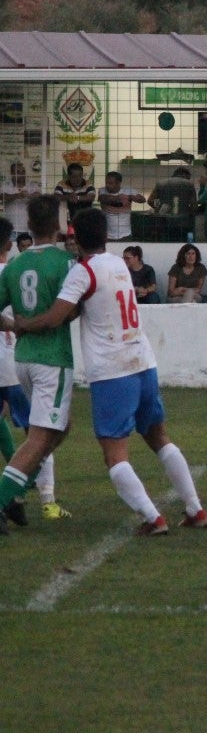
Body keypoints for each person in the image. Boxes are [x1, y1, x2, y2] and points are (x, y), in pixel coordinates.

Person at [15, 208, 207, 535]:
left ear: (75, 238)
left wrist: (24, 324)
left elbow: (56, 317)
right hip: (143, 361)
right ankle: (195, 508)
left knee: (114, 455)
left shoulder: (83, 272)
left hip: (112, 371)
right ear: (106, 235)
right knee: (160, 438)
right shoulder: (119, 263)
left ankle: (153, 518)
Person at [0, 196, 78, 534]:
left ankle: (16, 493)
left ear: (29, 226)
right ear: (59, 225)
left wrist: (13, 325)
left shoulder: (15, 266)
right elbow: (72, 310)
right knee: (40, 436)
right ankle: (5, 497)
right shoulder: (66, 263)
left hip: (23, 360)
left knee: (60, 427)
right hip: (52, 359)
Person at [97, 170, 145, 241]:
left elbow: (142, 200)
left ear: (118, 183)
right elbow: (104, 198)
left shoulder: (128, 190)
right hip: (107, 235)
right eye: (106, 182)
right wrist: (121, 198)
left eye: (110, 183)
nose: (107, 185)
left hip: (125, 234)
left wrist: (130, 197)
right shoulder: (102, 190)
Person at [1, 161, 37, 233]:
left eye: (23, 171)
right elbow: (2, 196)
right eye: (18, 172)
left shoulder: (31, 185)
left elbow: (39, 196)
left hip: (29, 230)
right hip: (11, 230)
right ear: (12, 173)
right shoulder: (6, 186)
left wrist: (29, 195)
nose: (21, 174)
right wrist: (17, 196)